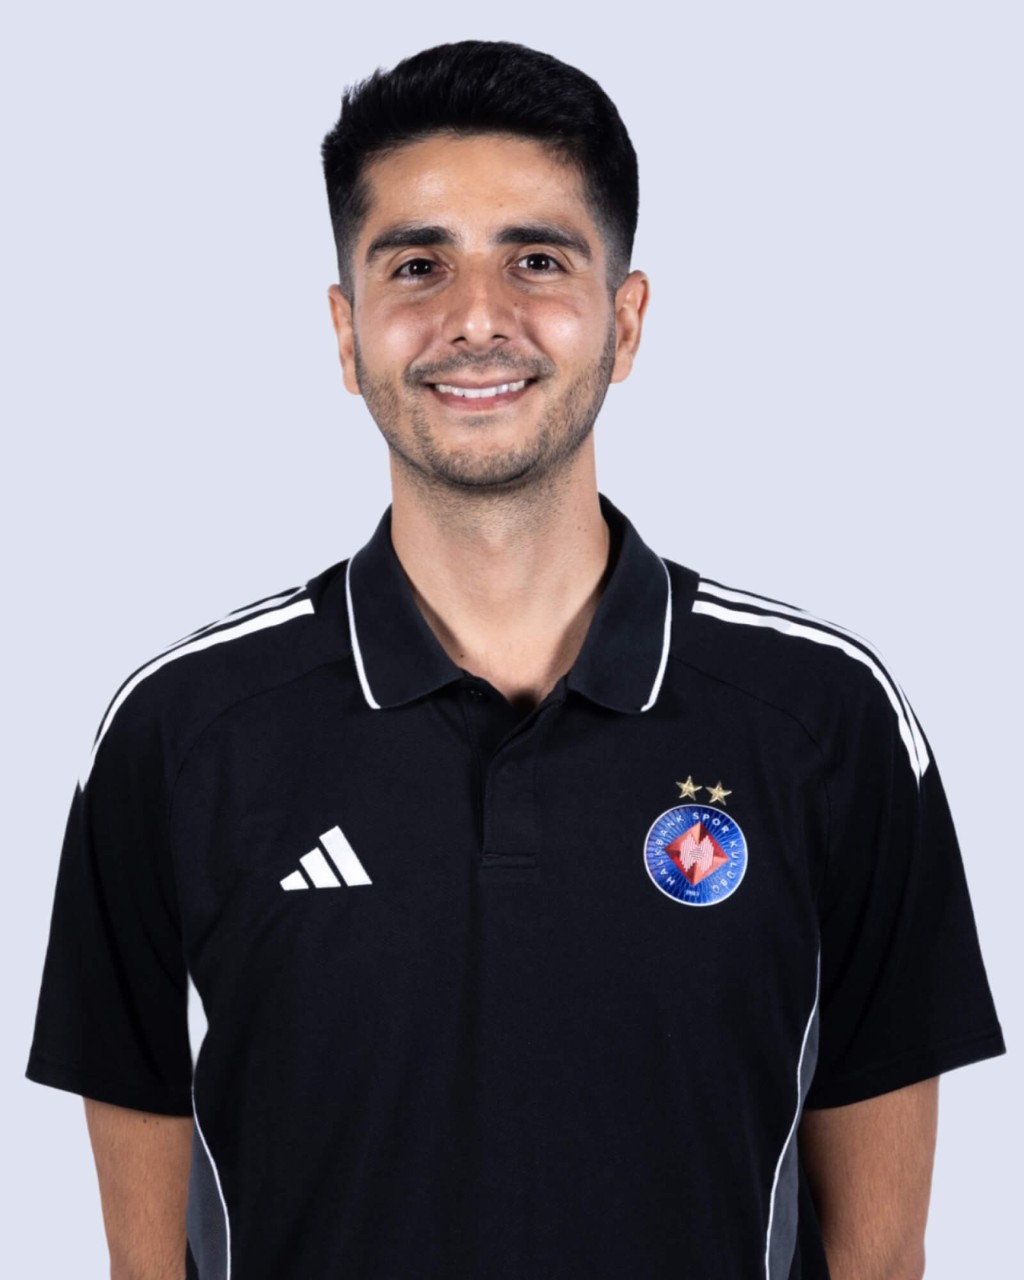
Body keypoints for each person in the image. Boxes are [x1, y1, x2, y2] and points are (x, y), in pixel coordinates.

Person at [26, 39, 1005, 1280]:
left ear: (625, 320)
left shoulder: (827, 719)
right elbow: (141, 1257)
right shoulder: (179, 735)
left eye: (536, 260)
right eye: (416, 265)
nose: (476, 318)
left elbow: (883, 1253)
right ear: (346, 333)